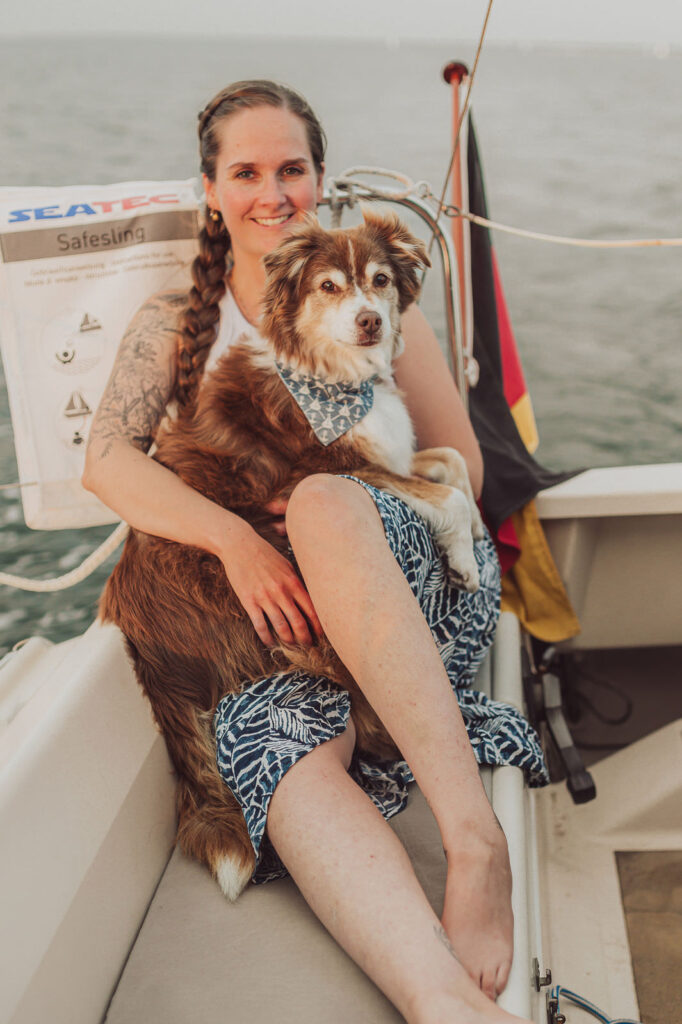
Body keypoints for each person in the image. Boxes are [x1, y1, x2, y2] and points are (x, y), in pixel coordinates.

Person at [82, 80, 547, 1024]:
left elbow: (469, 473)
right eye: (245, 172)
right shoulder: (179, 323)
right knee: (272, 740)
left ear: (318, 177)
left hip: (409, 579)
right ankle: (440, 1001)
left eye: (291, 168)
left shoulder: (373, 307)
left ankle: (475, 845)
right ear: (209, 189)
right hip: (281, 617)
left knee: (331, 504)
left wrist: (365, 490)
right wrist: (234, 544)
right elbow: (106, 466)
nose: (272, 191)